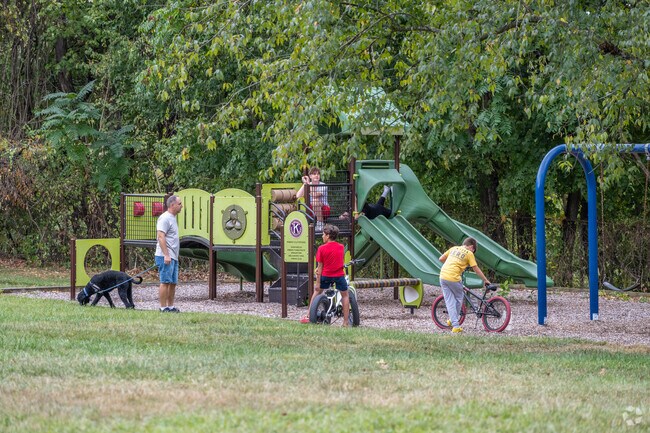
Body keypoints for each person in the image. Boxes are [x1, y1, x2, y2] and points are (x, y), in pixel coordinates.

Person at [300, 224, 350, 326]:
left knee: (317, 291)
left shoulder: (321, 249)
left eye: (323, 234)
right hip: (339, 276)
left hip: (326, 276)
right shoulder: (341, 247)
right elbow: (339, 262)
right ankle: (345, 322)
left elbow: (320, 267)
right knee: (345, 296)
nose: (322, 236)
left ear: (327, 236)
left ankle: (308, 315)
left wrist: (318, 283)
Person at [438, 237, 491, 333]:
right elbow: (475, 268)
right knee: (459, 298)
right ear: (471, 246)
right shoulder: (469, 253)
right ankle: (455, 325)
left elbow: (441, 258)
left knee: (449, 300)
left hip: (442, 276)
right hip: (453, 277)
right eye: (473, 250)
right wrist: (485, 280)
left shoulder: (453, 248)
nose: (473, 252)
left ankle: (452, 320)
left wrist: (453, 264)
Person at [155, 194, 183, 313]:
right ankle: (162, 307)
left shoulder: (173, 218)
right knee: (165, 282)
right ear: (172, 205)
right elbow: (161, 237)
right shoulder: (164, 218)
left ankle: (170, 306)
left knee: (172, 283)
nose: (181, 206)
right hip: (164, 256)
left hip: (173, 256)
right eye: (179, 204)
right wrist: (166, 255)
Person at [296, 167, 328, 231]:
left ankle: (320, 225)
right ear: (310, 176)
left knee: (315, 201)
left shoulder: (323, 185)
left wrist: (308, 184)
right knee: (312, 203)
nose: (316, 175)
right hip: (311, 211)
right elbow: (298, 195)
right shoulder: (308, 184)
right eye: (314, 174)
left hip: (324, 210)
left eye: (318, 174)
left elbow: (315, 195)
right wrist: (305, 183)